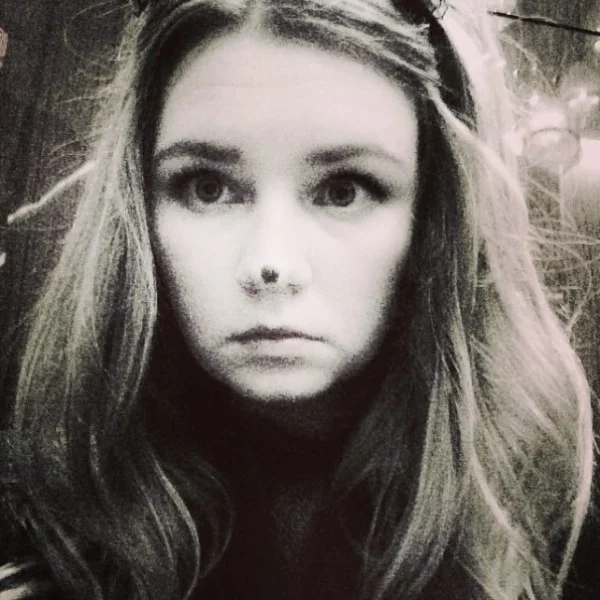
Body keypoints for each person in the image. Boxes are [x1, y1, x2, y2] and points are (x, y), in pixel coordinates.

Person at [0, 0, 593, 598]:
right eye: (207, 188)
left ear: (433, 218)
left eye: (343, 190)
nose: (271, 264)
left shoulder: (558, 541)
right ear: (140, 207)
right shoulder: (49, 532)